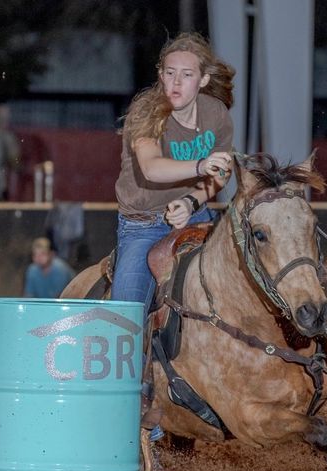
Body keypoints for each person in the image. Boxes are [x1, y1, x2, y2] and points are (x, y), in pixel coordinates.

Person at [112, 31, 235, 316]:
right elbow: (152, 168)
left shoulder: (216, 113)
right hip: (143, 226)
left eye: (187, 74)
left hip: (197, 216)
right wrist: (200, 165)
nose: (176, 82)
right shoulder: (147, 112)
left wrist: (191, 201)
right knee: (125, 315)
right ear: (161, 75)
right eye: (170, 73)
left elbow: (221, 173)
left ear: (203, 80)